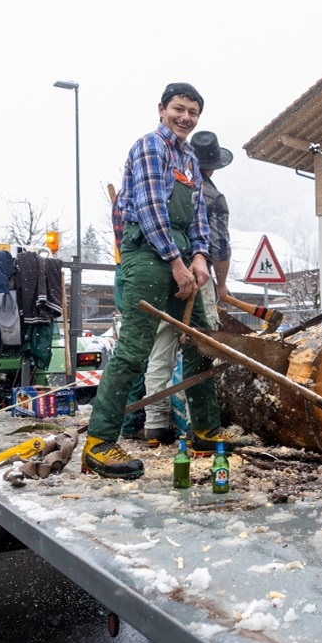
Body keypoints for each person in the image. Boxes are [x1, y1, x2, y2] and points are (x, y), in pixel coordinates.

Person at [82, 82, 222, 479]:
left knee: (200, 341)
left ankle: (205, 429)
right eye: (179, 109)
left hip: (179, 255)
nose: (185, 118)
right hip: (147, 255)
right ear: (162, 109)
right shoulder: (150, 146)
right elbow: (149, 207)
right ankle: (99, 442)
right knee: (134, 349)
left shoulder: (190, 160)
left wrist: (198, 257)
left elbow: (197, 217)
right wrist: (176, 261)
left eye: (193, 113)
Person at [141, 130, 233, 447]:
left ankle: (154, 425)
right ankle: (203, 427)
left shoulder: (164, 182)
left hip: (158, 271)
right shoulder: (211, 196)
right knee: (200, 348)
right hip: (194, 273)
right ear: (213, 166)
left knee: (160, 351)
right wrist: (221, 284)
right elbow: (218, 245)